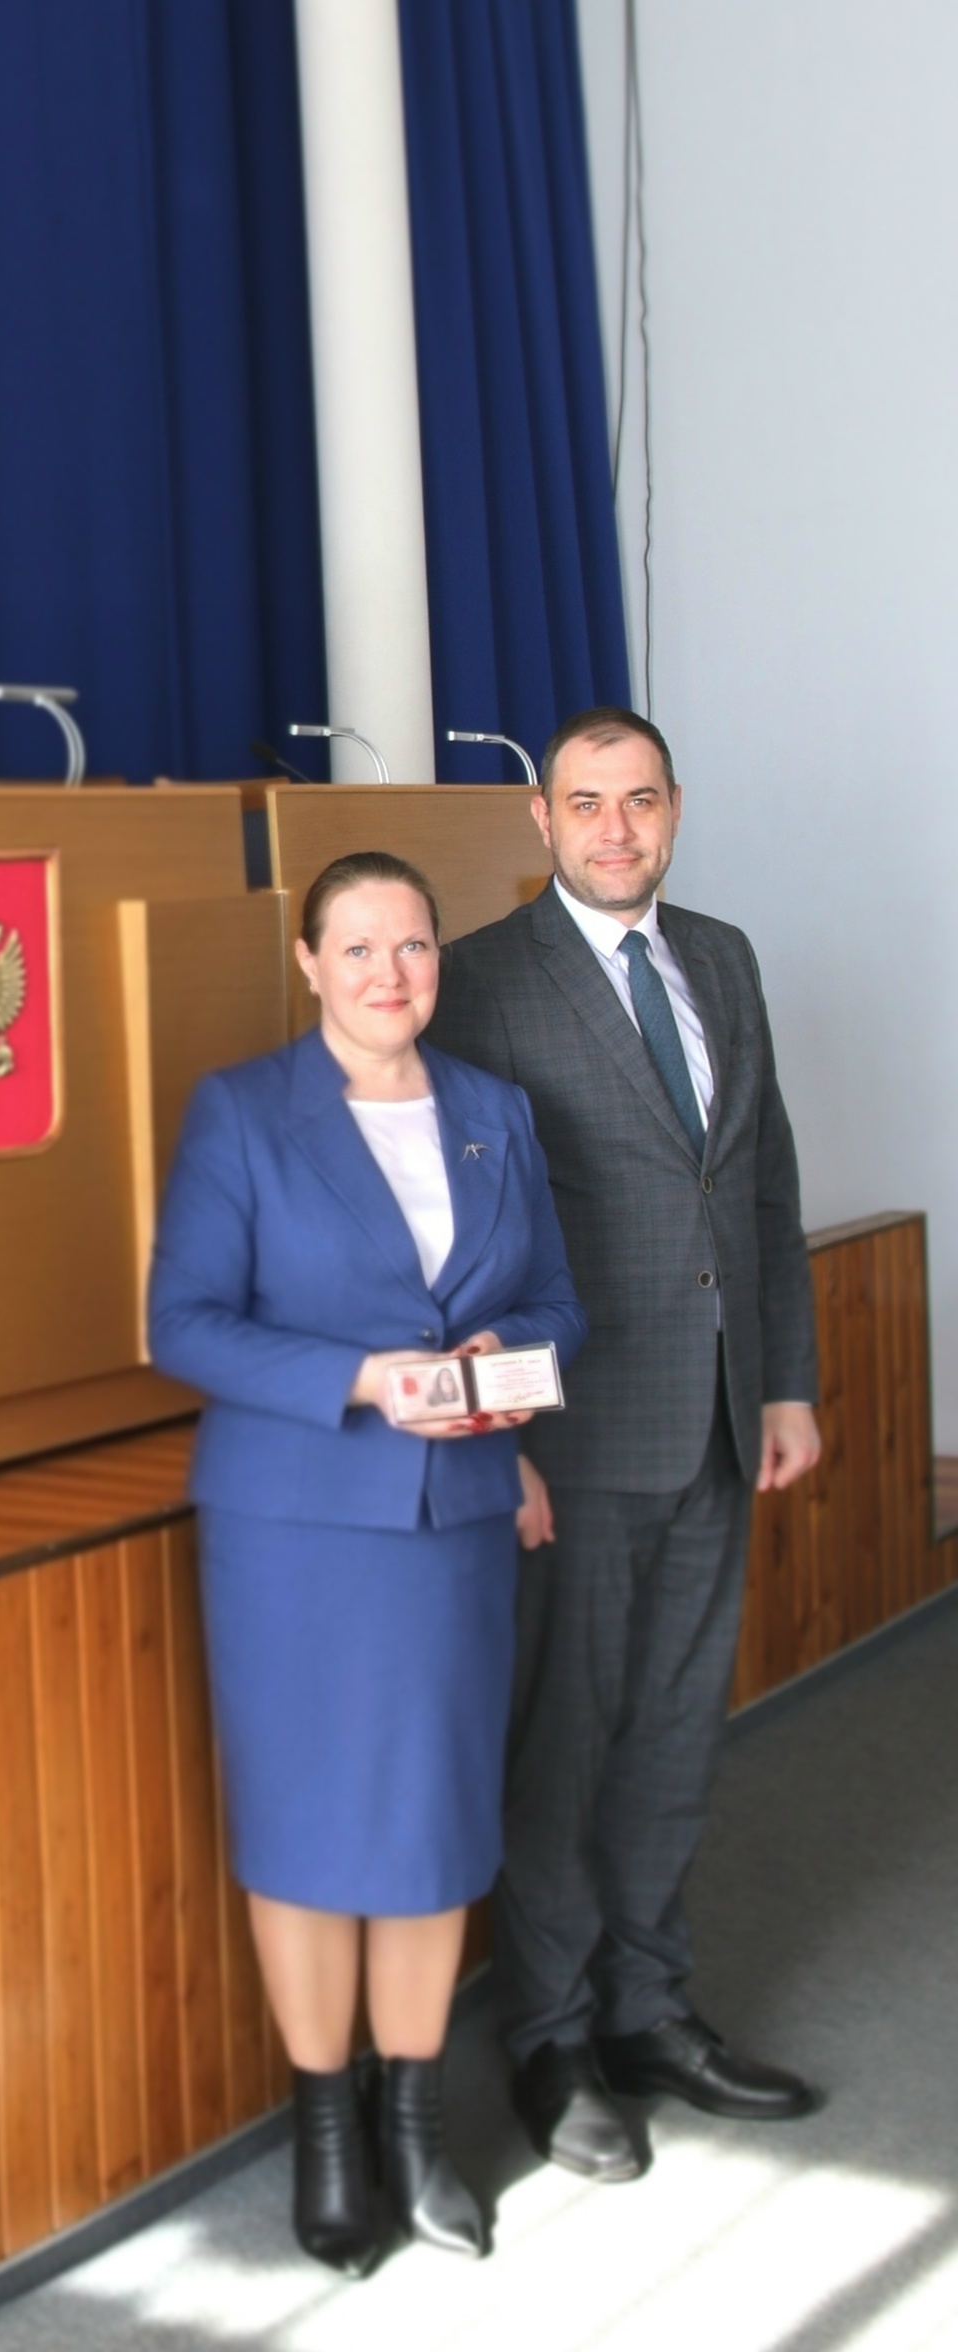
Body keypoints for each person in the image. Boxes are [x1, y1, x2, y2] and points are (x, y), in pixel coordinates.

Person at [148, 850, 586, 2276]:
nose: (390, 974)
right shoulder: (244, 1112)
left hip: (454, 1525)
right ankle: (327, 2132)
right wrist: (365, 1377)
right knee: (303, 1834)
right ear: (310, 963)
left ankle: (415, 2123)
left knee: (431, 1834)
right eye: (359, 948)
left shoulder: (496, 1112)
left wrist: (508, 1361)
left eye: (413, 947)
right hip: (295, 1535)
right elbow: (184, 1325)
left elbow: (559, 1305)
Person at [430, 707, 821, 2184]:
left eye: (639, 801)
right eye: (585, 804)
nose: (615, 829)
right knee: (566, 1744)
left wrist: (784, 1382)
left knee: (672, 1733)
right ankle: (552, 2037)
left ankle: (650, 2009)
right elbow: (458, 1237)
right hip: (572, 1439)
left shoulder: (722, 957)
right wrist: (499, 1441)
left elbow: (761, 1183)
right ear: (541, 819)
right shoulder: (481, 981)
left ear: (674, 809)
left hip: (718, 1419)